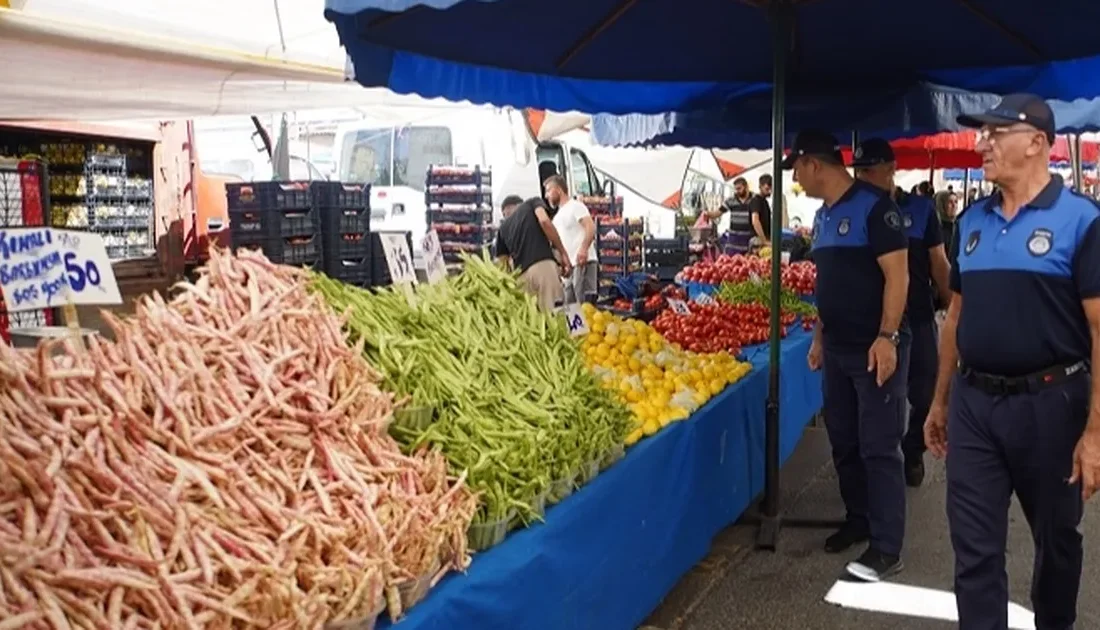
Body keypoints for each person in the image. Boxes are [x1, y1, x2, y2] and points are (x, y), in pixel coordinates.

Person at [925, 94, 1100, 630]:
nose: (983, 143)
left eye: (996, 133)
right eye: (982, 133)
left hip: (1052, 405)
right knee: (974, 550)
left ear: (1037, 144)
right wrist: (940, 400)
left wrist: (1094, 430)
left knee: (1057, 540)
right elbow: (956, 314)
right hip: (975, 406)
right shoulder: (972, 222)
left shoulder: (1081, 222)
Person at [788, 130, 910, 581]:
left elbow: (898, 277)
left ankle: (887, 545)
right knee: (843, 441)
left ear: (815, 164)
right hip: (837, 348)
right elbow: (828, 286)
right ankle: (858, 519)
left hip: (874, 348)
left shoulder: (877, 209)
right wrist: (819, 338)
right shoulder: (822, 217)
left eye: (798, 169)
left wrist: (888, 337)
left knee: (879, 447)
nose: (796, 179)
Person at [853, 138, 952, 488]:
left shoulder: (922, 210)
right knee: (879, 402)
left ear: (890, 172)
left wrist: (948, 298)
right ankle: (881, 466)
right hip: (874, 322)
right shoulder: (855, 209)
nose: (861, 178)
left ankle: (912, 451)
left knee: (925, 395)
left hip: (920, 316)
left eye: (868, 171)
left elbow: (939, 262)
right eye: (858, 171)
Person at [495, 196, 572, 310]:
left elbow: (503, 266)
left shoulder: (502, 230)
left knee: (533, 322)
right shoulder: (531, 203)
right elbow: (544, 221)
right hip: (543, 270)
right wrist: (563, 252)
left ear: (505, 212)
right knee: (557, 316)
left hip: (522, 279)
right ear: (520, 205)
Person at [544, 175, 597, 303]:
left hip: (583, 262)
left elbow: (590, 226)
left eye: (548, 190)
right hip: (570, 268)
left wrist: (584, 249)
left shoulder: (576, 206)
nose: (546, 196)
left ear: (558, 189)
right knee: (571, 310)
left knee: (585, 307)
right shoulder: (557, 217)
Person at [750, 174, 773, 244]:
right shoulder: (756, 200)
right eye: (767, 189)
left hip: (764, 238)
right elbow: (755, 221)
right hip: (758, 240)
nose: (770, 191)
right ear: (760, 187)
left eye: (771, 188)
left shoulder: (765, 201)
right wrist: (764, 240)